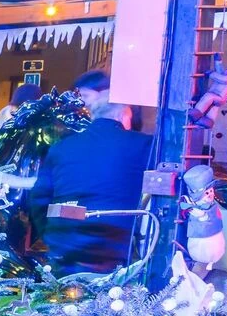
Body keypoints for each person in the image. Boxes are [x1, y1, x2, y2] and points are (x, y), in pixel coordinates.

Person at [22, 74, 153, 272]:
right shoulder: (143, 144)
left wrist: (51, 234)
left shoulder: (62, 147)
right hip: (116, 248)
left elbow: (39, 198)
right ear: (123, 116)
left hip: (64, 243)